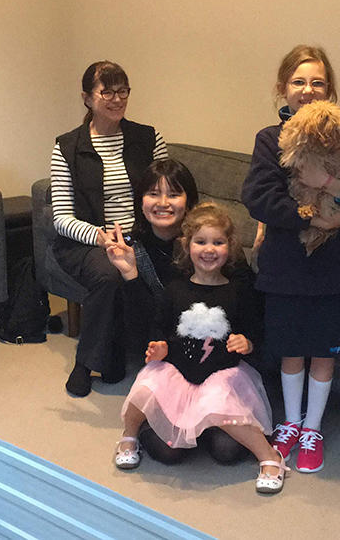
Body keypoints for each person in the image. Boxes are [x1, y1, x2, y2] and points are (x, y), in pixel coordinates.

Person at [241, 45, 340, 473]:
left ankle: (313, 428)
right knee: (290, 350)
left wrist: (330, 183)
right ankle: (290, 422)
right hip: (285, 268)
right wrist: (310, 217)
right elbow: (258, 197)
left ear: (330, 91)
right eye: (298, 81)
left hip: (331, 271)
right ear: (283, 88)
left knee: (324, 352)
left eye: (317, 82)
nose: (307, 90)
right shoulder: (270, 139)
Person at [113, 203, 287, 494]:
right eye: (201, 242)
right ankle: (129, 435)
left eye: (218, 242)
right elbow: (159, 328)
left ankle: (270, 457)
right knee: (162, 439)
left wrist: (247, 342)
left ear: (230, 247)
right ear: (187, 245)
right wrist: (159, 347)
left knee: (227, 452)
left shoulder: (239, 290)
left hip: (221, 379)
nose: (209, 249)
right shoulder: (174, 289)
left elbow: (255, 329)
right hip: (178, 377)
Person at [106, 158, 252, 465]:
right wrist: (130, 275)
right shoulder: (133, 249)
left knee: (227, 450)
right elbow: (142, 330)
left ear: (189, 199)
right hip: (172, 366)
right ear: (140, 201)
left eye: (173, 194)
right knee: (168, 451)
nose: (163, 203)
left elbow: (248, 307)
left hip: (218, 367)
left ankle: (204, 421)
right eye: (153, 194)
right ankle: (156, 425)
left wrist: (246, 341)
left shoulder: (215, 242)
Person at [50, 61, 168, 397]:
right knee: (109, 274)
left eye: (122, 91)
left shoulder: (148, 138)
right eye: (107, 92)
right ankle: (86, 363)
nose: (117, 99)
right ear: (87, 98)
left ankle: (116, 354)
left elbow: (165, 190)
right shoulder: (67, 147)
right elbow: (61, 217)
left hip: (141, 236)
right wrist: (100, 237)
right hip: (87, 242)